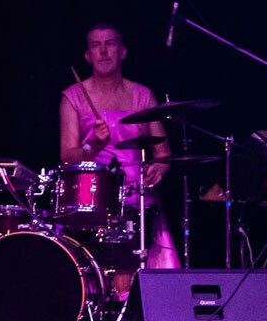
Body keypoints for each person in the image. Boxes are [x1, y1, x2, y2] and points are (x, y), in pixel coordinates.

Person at [58, 23, 180, 278]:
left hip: (139, 200)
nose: (103, 52)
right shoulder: (73, 96)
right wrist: (94, 145)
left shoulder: (143, 95)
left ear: (122, 51)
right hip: (93, 201)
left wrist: (157, 169)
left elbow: (163, 153)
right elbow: (67, 156)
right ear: (87, 56)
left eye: (110, 44)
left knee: (158, 282)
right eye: (95, 45)